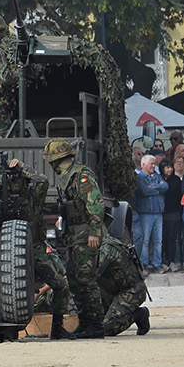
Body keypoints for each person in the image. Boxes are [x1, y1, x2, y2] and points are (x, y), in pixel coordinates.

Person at [43, 138, 108, 339]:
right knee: (74, 279)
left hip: (85, 233)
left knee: (86, 280)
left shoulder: (82, 175)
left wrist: (95, 231)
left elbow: (95, 204)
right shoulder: (67, 177)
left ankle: (95, 325)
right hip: (74, 235)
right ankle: (85, 323)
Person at [93, 232, 152, 337]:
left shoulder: (107, 248)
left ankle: (139, 314)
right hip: (110, 291)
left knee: (105, 328)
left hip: (131, 292)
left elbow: (89, 275)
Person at [131, 154, 167, 274]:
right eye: (151, 163)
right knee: (145, 240)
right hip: (146, 213)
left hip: (158, 213)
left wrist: (154, 186)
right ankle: (144, 263)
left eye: (154, 163)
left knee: (158, 240)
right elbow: (144, 191)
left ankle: (157, 264)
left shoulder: (156, 176)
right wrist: (158, 188)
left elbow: (165, 187)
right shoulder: (139, 177)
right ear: (143, 165)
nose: (153, 166)